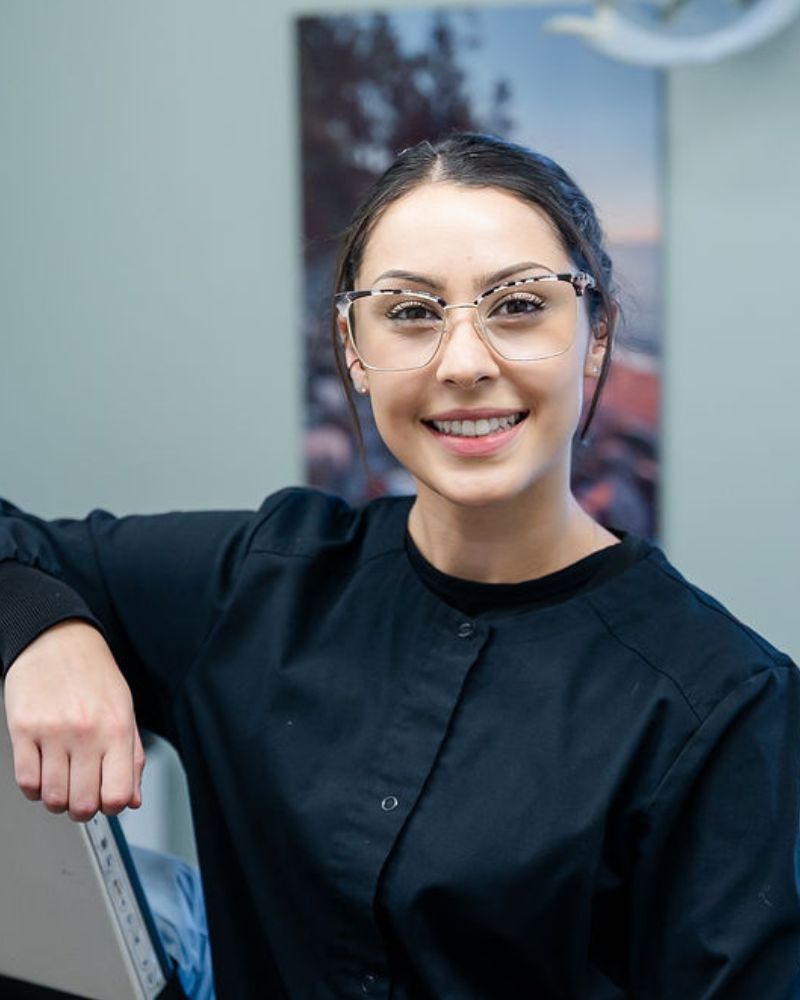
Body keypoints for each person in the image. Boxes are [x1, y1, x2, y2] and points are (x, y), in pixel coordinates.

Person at [1, 132, 798, 999]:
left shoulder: (724, 703)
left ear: (595, 336)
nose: (464, 364)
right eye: (412, 312)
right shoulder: (259, 583)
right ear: (354, 349)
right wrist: (48, 628)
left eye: (519, 305)